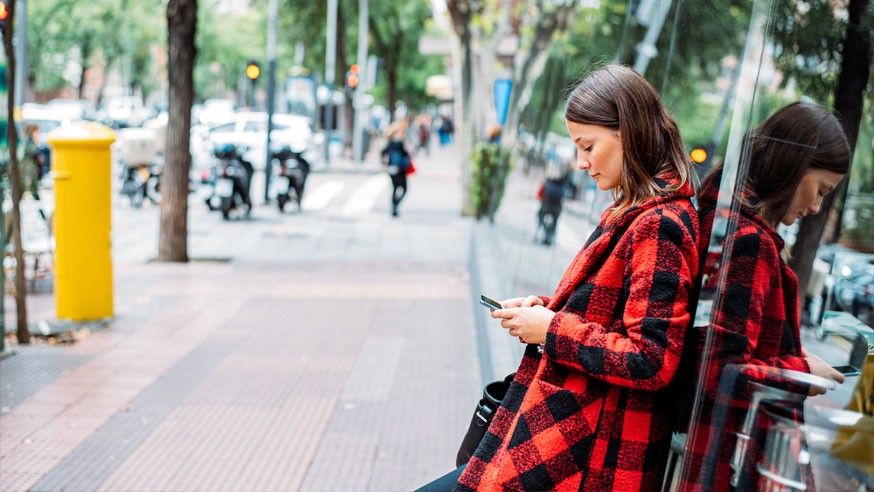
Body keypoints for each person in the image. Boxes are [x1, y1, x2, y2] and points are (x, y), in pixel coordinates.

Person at [416, 64, 700, 491]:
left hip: (583, 454)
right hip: (563, 440)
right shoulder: (636, 211)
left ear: (630, 133)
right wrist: (544, 313)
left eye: (588, 145)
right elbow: (612, 318)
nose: (581, 162)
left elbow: (652, 359)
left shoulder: (661, 223)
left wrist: (550, 329)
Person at [680, 101, 849, 489]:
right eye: (820, 189)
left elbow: (725, 345)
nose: (817, 206)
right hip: (720, 455)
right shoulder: (748, 242)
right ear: (793, 165)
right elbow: (722, 372)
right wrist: (799, 372)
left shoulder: (725, 220)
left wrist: (794, 360)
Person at [381, 122, 412, 217]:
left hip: (393, 168)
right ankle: (395, 206)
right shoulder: (397, 143)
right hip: (398, 168)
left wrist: (384, 164)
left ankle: (394, 207)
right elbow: (405, 154)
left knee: (396, 188)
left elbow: (383, 153)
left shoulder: (391, 142)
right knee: (403, 188)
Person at [22, 123, 44, 200]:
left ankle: (41, 211)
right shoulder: (29, 142)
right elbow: (34, 153)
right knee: (30, 188)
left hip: (30, 170)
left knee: (31, 189)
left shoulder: (30, 141)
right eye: (37, 132)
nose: (38, 134)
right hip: (29, 170)